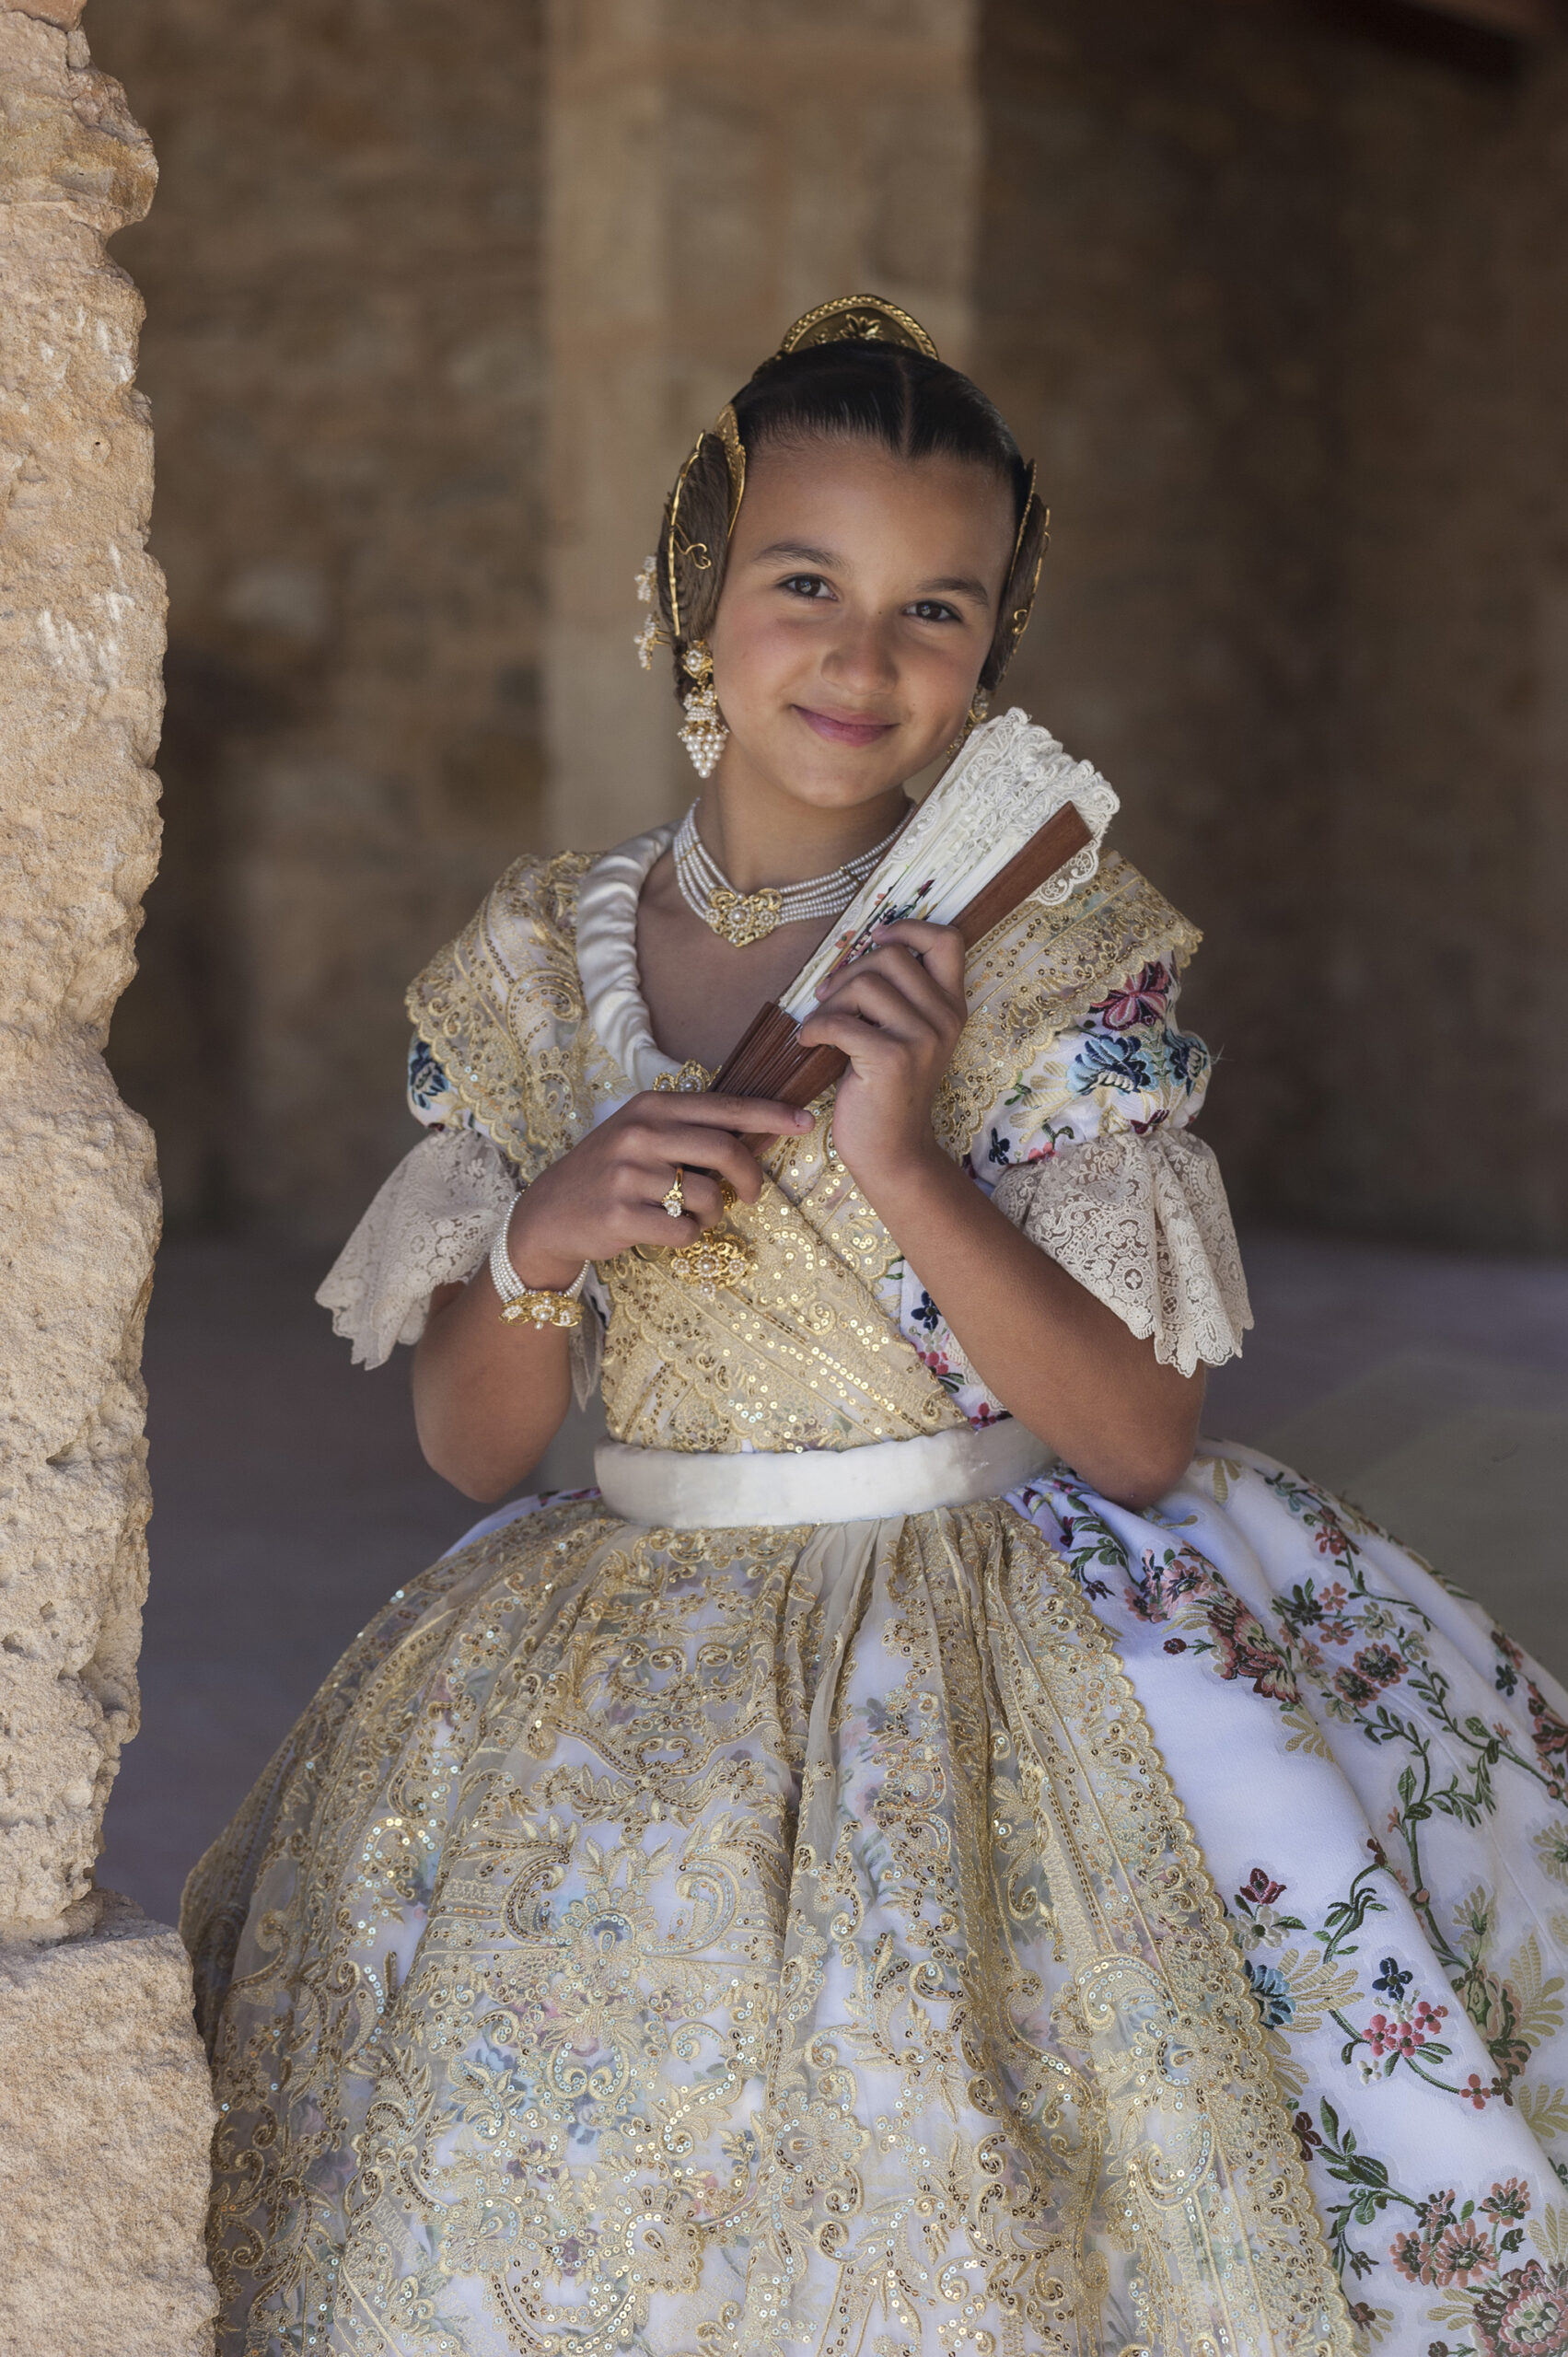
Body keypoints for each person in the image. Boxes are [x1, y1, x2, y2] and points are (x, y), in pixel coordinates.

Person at [183, 296, 1568, 2357]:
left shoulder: (1047, 943)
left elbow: (1137, 1436)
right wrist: (543, 1236)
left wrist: (912, 1156)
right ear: (693, 590)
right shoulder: (525, 963)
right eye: (803, 583)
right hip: (618, 1651)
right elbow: (478, 1449)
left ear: (993, 653)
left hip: (1009, 1626)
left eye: (939, 609)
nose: (860, 657)